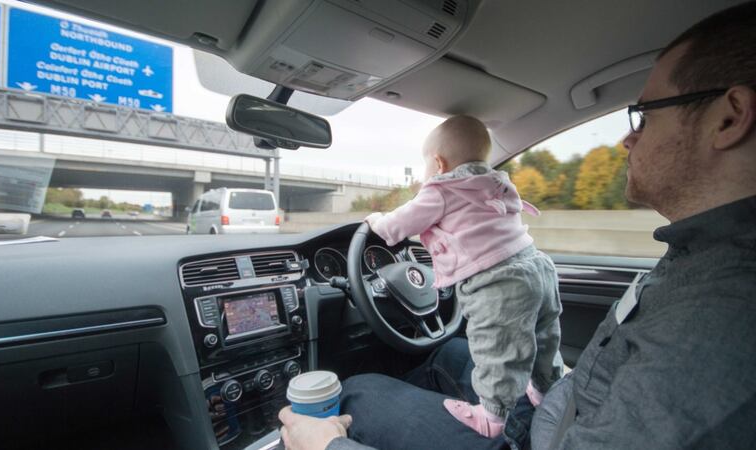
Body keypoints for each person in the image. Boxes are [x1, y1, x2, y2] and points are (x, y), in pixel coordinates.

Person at [279, 2, 756, 449]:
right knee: (460, 352)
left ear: (730, 117)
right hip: (554, 358)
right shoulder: (701, 259)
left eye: (645, 116)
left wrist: (330, 444)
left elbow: (395, 228)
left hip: (547, 435)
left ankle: (490, 416)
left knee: (356, 391)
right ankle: (532, 389)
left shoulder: (722, 313)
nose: (627, 139)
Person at [362, 114, 563, 439]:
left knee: (497, 347)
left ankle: (492, 416)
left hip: (498, 282)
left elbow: (396, 227)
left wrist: (376, 221)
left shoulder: (441, 189)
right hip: (537, 266)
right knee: (543, 335)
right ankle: (545, 388)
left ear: (438, 163)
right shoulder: (496, 183)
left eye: (425, 164)